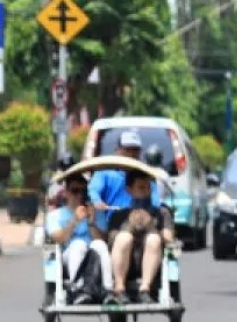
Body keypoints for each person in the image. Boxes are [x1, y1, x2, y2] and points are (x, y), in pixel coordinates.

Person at [105, 169, 174, 305]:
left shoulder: (162, 213)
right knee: (124, 238)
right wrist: (130, 226)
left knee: (153, 239)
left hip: (152, 264)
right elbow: (112, 240)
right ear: (129, 190)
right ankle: (119, 288)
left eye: (148, 188)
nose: (146, 192)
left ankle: (145, 290)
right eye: (141, 188)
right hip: (125, 263)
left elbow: (169, 238)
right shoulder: (119, 215)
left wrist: (151, 226)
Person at [44, 173, 111, 303]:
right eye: (75, 191)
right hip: (67, 256)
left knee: (99, 244)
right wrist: (74, 221)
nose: (79, 195)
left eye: (83, 191)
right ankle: (79, 289)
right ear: (66, 193)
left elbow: (104, 241)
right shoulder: (55, 216)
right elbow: (60, 239)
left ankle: (108, 289)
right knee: (78, 244)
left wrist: (91, 222)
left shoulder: (96, 213)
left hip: (93, 255)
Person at [88, 129, 161, 235]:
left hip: (141, 224)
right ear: (118, 150)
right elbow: (93, 190)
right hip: (114, 225)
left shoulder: (146, 174)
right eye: (127, 149)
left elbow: (156, 200)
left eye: (135, 150)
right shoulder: (104, 172)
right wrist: (97, 201)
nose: (131, 154)